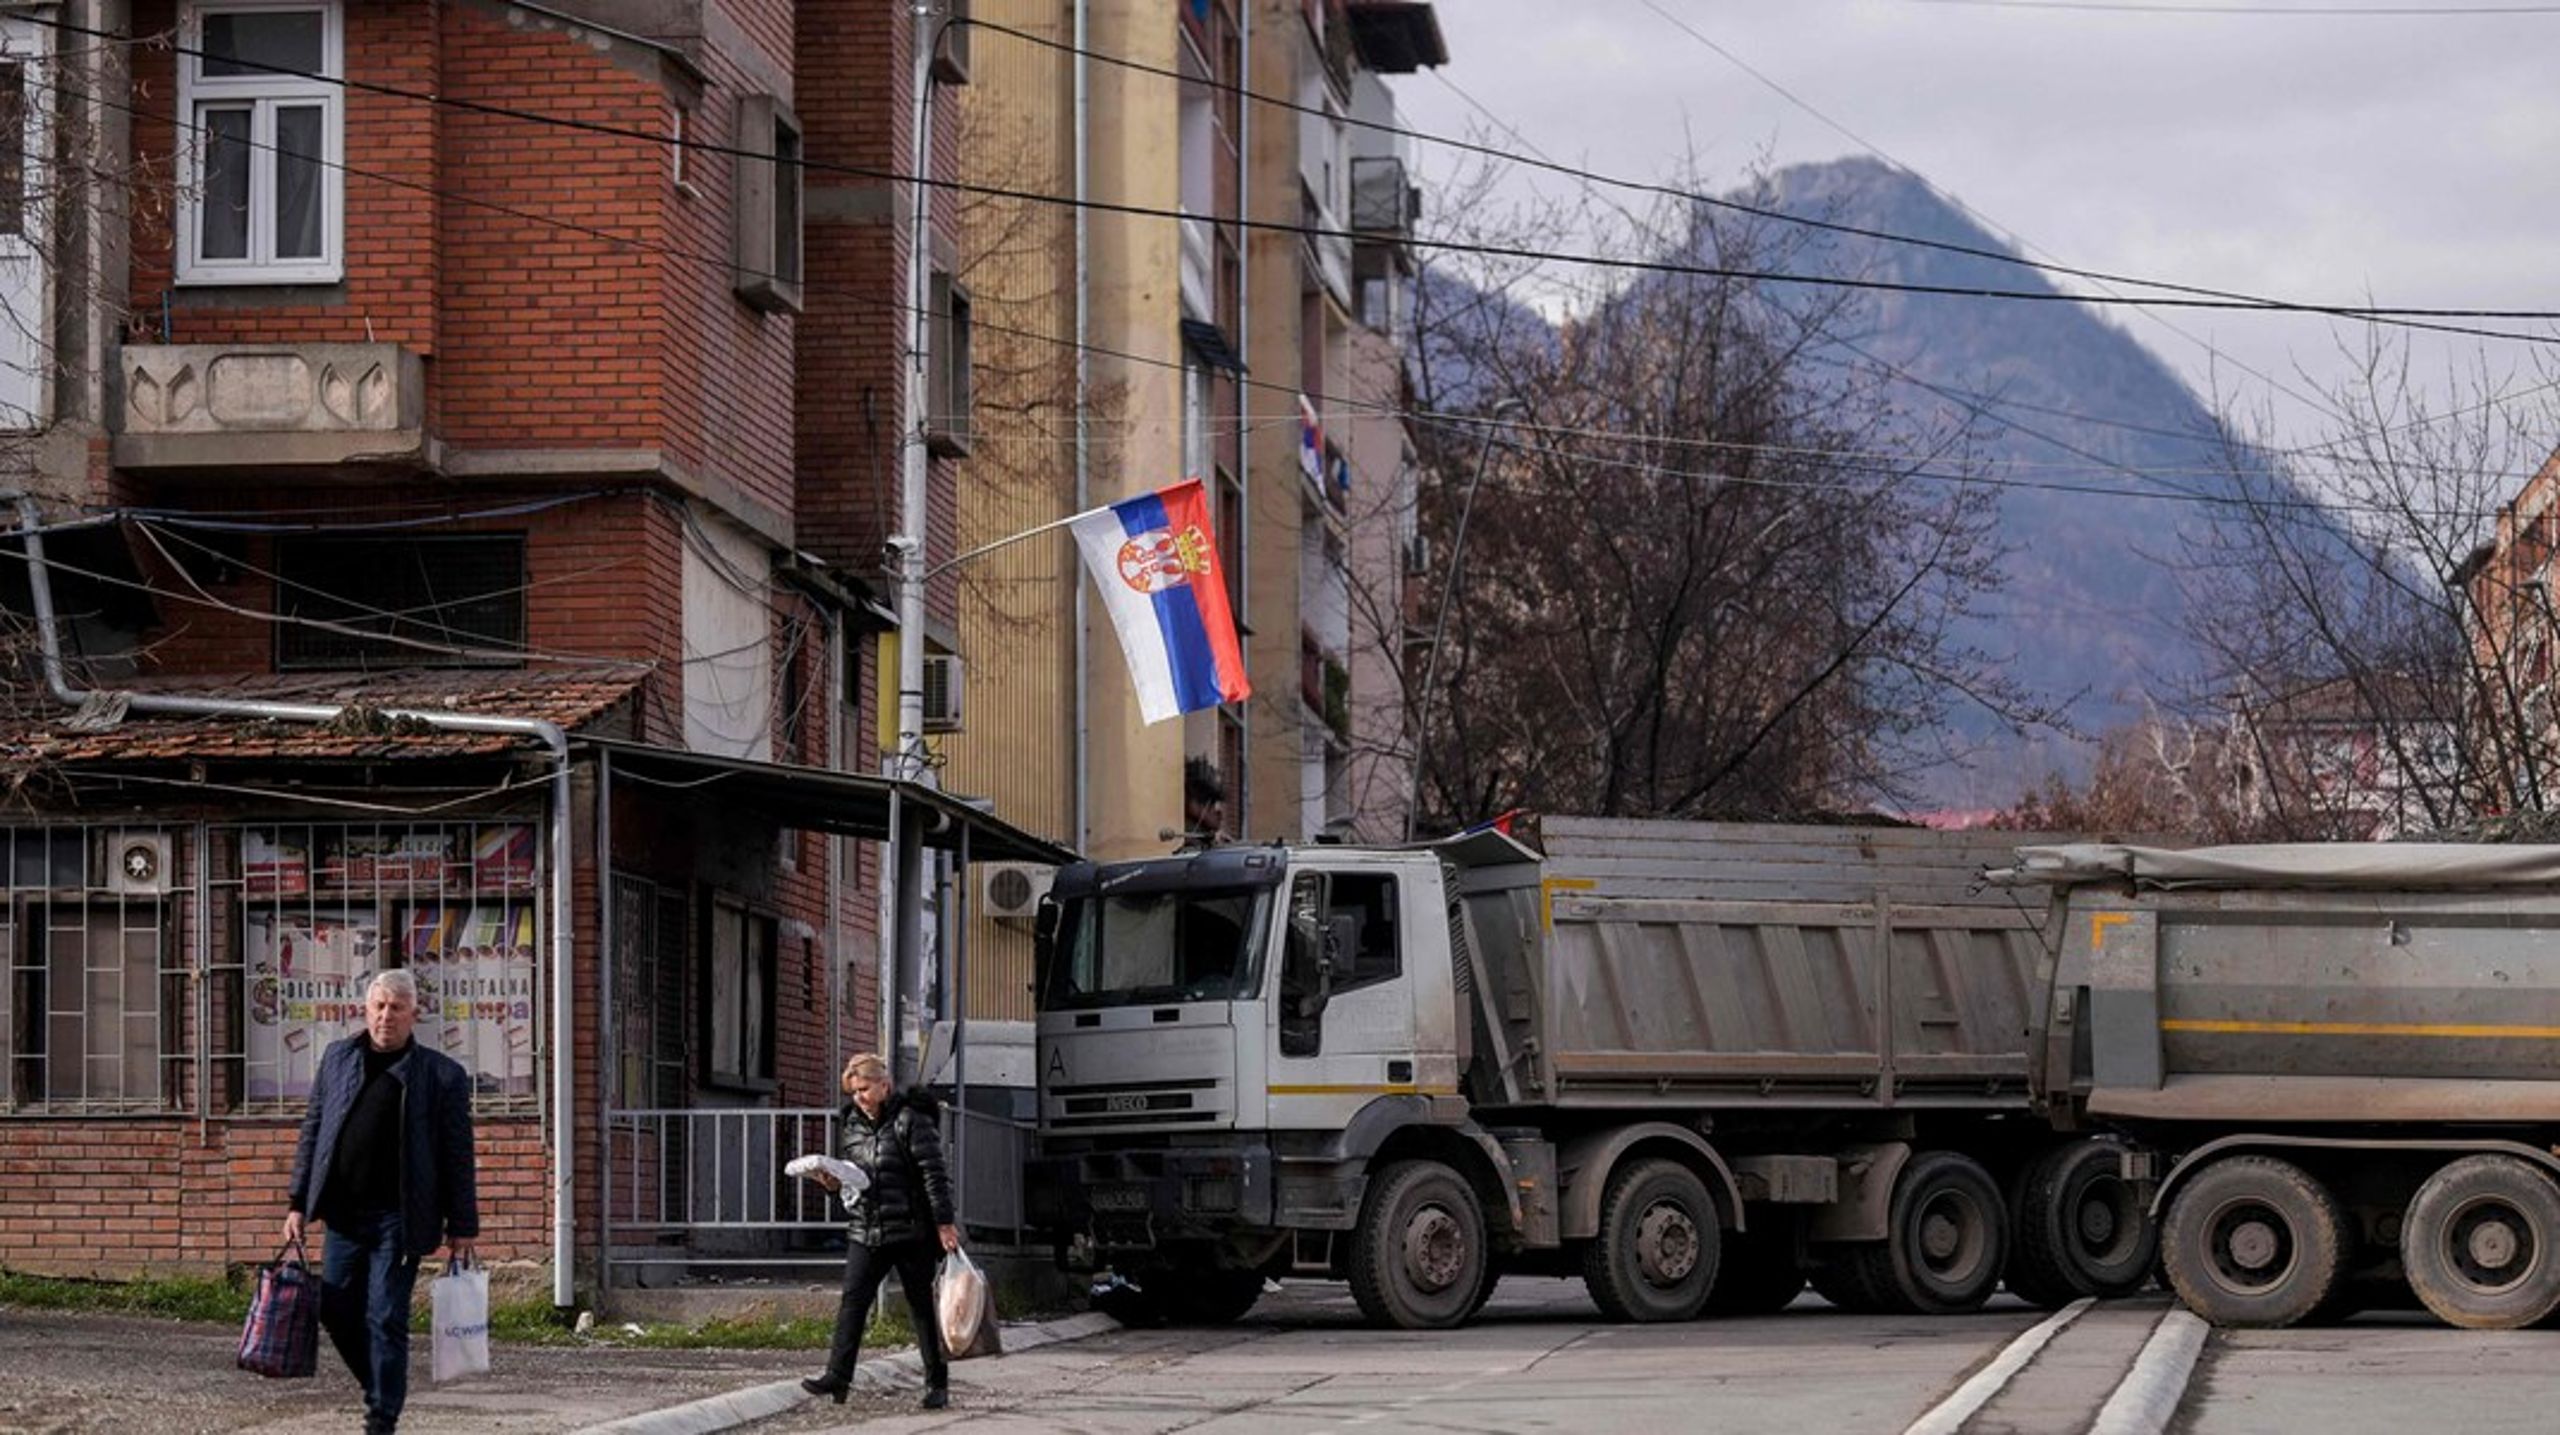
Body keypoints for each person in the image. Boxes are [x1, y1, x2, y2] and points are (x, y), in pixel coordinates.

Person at [283, 969, 479, 1435]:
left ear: (415, 1014)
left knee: (385, 1315)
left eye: (396, 1007)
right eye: (379, 1006)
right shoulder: (337, 1058)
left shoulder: (441, 1075)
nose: (386, 1016)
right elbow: (314, 1132)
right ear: (365, 1009)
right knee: (333, 1307)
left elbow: (457, 1154)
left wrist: (463, 1224)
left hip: (401, 1217)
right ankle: (381, 1385)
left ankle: (381, 1418)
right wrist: (296, 1202)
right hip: (344, 1215)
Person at [803, 1052, 961, 1409]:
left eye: (864, 1088)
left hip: (910, 1229)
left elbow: (934, 1175)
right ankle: (837, 1377)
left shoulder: (911, 1121)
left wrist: (944, 1224)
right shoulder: (852, 1126)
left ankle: (937, 1383)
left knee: (921, 1306)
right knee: (852, 1302)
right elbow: (854, 1179)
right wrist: (832, 1183)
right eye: (853, 1091)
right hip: (866, 1228)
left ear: (884, 1085)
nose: (859, 1097)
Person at [1180, 755, 1229, 851]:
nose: (1219, 812)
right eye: (1212, 804)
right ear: (1194, 803)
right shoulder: (1188, 841)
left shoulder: (1208, 838)